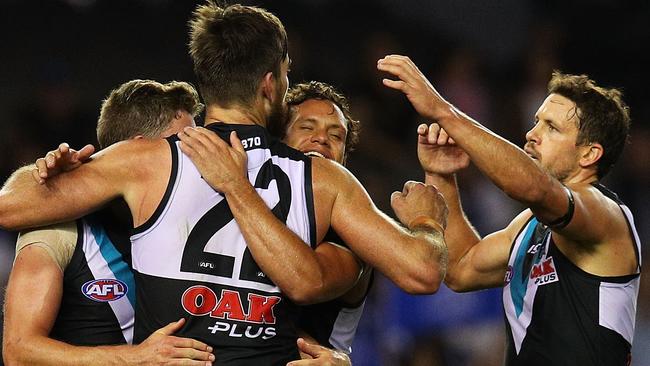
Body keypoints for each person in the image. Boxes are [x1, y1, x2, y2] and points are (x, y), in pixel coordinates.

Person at [0, 4, 448, 365]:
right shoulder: (324, 178)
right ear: (271, 85)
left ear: (207, 81)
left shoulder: (146, 159)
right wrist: (428, 218)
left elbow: (10, 207)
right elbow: (423, 271)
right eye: (287, 74)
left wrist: (40, 167)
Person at [378, 55, 641, 365]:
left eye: (552, 128)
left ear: (589, 153)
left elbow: (534, 187)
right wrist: (442, 175)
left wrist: (443, 111)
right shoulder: (530, 224)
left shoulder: (606, 214)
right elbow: (461, 268)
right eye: (536, 122)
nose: (532, 134)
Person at [2, 79, 215, 365]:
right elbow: (19, 352)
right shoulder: (60, 228)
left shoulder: (199, 220)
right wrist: (136, 359)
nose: (198, 159)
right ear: (136, 150)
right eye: (183, 146)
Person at [180, 81, 371, 358]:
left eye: (336, 135)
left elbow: (304, 284)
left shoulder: (351, 234)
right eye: (307, 127)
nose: (322, 139)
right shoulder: (238, 203)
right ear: (277, 142)